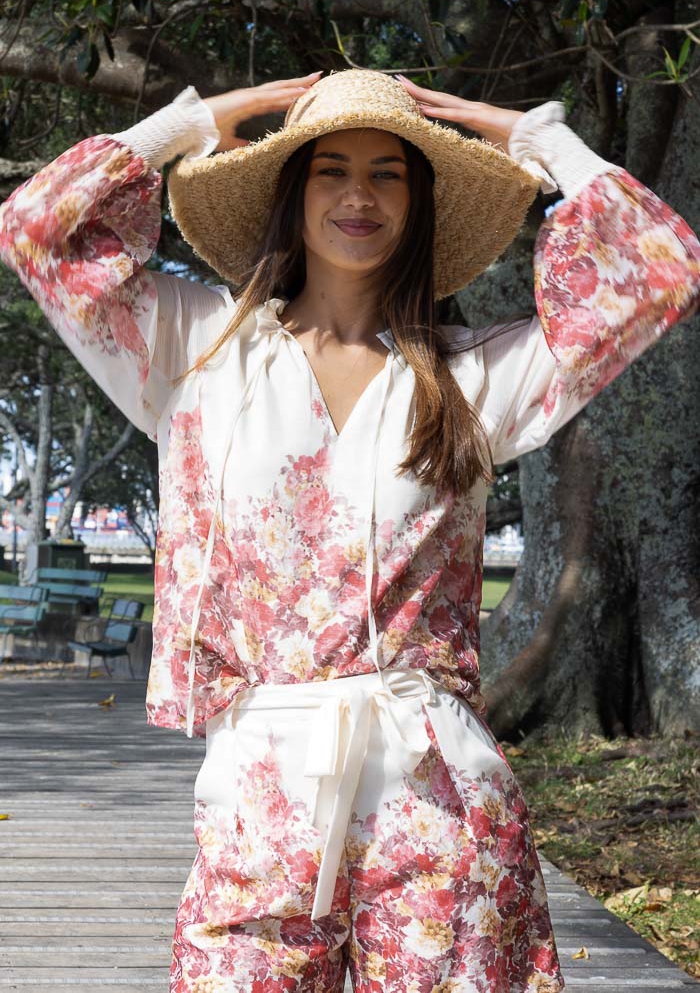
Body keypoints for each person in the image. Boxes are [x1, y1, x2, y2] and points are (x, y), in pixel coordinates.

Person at [1, 67, 698, 993]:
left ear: (420, 203)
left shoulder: (475, 377)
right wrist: (196, 122)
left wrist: (533, 139)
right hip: (256, 795)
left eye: (390, 173)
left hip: (437, 800)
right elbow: (37, 229)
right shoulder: (195, 345)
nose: (359, 195)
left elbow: (662, 266)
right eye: (330, 169)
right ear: (292, 194)